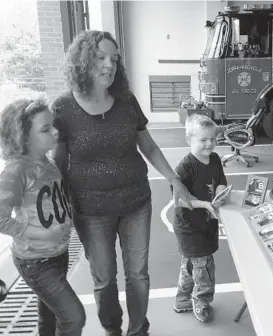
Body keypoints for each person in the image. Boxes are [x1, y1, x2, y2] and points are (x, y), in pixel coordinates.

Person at [51, 30, 193, 336]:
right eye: (100, 57)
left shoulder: (127, 101)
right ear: (82, 61)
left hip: (136, 203)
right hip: (90, 209)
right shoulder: (63, 109)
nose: (109, 65)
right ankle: (112, 330)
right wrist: (50, 205)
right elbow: (58, 165)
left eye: (114, 59)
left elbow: (150, 147)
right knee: (103, 278)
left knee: (138, 274)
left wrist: (175, 180)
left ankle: (139, 330)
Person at [0, 97, 85, 336]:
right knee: (73, 316)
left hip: (58, 254)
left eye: (52, 125)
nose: (55, 132)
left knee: (50, 315)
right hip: (35, 261)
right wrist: (42, 233)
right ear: (22, 137)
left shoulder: (48, 162)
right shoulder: (17, 170)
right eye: (45, 129)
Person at [172, 114, 227, 323]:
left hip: (206, 222)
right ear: (189, 140)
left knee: (191, 264)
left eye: (212, 139)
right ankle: (201, 301)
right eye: (203, 140)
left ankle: (182, 299)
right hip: (189, 227)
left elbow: (220, 180)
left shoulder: (214, 159)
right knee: (204, 266)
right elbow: (180, 200)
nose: (209, 144)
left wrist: (221, 193)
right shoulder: (185, 167)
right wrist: (205, 204)